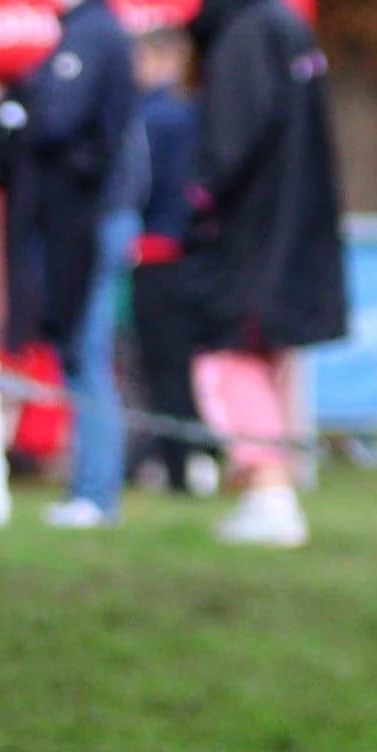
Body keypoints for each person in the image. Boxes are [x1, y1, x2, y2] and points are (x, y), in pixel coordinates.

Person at [0, 0, 141, 528]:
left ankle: (95, 493)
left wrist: (13, 106)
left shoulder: (92, 34)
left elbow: (61, 118)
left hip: (88, 218)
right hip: (85, 216)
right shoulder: (90, 33)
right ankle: (87, 488)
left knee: (87, 352)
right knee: (80, 352)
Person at [179, 0, 348, 546]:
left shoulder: (249, 33)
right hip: (289, 232)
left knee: (226, 362)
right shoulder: (288, 27)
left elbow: (227, 146)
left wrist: (194, 199)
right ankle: (264, 489)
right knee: (261, 358)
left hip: (251, 238)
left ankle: (269, 490)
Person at [125, 27, 215, 496]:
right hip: (192, 256)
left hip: (157, 254)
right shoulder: (199, 114)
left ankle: (177, 465)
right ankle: (187, 456)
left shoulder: (151, 118)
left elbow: (139, 186)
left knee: (161, 368)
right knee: (180, 366)